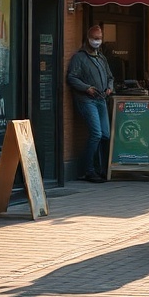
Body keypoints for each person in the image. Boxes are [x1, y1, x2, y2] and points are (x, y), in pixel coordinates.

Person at [66, 25, 114, 183]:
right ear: (88, 39)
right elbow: (71, 77)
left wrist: (109, 88)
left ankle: (99, 168)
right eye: (94, 38)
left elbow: (110, 77)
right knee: (96, 134)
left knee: (105, 135)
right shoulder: (79, 57)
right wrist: (87, 88)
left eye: (99, 38)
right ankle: (88, 170)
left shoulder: (101, 58)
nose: (97, 41)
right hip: (87, 100)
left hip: (101, 99)